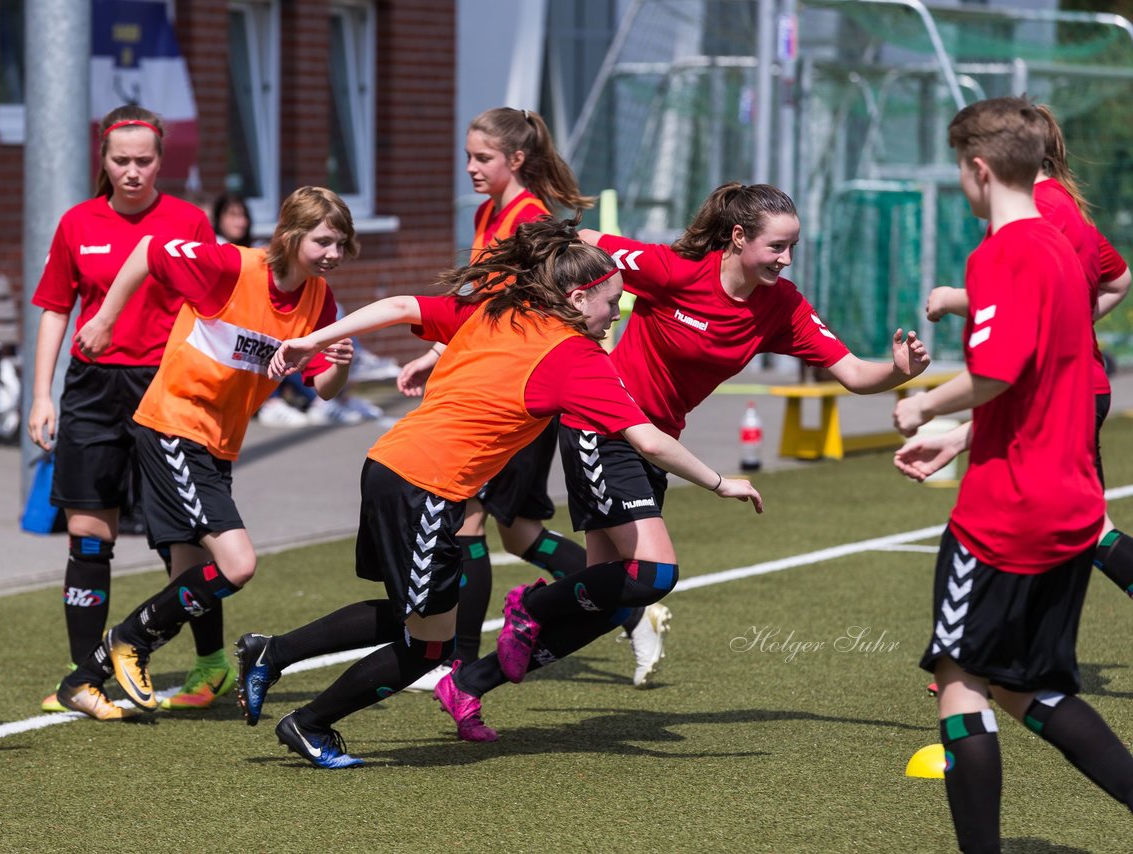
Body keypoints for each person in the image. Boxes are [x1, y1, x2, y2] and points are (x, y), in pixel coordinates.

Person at [232, 216, 763, 769]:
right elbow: (648, 439)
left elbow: (401, 307)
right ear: (579, 297)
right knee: (430, 647)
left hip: (394, 467)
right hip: (425, 486)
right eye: (612, 304)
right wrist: (721, 482)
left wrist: (313, 339)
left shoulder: (501, 308)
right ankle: (309, 723)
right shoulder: (574, 357)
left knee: (413, 616)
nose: (616, 317)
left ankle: (274, 652)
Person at [428, 182, 930, 738]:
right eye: (776, 247)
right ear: (738, 238)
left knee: (608, 600)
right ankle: (534, 606)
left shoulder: (780, 304)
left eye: (793, 248)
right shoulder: (675, 271)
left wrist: (899, 373)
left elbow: (856, 373)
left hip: (656, 444)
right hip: (604, 427)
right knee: (655, 573)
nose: (786, 260)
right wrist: (525, 266)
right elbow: (590, 240)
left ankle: (469, 684)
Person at [893, 95, 1133, 853]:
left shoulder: (998, 253)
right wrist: (963, 435)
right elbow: (1042, 375)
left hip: (1006, 512)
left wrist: (922, 406)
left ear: (978, 168)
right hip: (1071, 504)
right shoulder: (1065, 250)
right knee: (1031, 685)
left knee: (960, 682)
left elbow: (997, 369)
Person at [58, 186, 356, 719]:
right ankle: (131, 640)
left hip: (217, 443)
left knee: (188, 570)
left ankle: (86, 677)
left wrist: (339, 360)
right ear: (291, 236)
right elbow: (149, 249)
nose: (334, 253)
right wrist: (104, 317)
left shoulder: (320, 299)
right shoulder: (230, 267)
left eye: (340, 243)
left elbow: (325, 388)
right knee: (237, 565)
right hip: (175, 425)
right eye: (324, 242)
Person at [397, 107, 646, 693]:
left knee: (469, 521)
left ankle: (454, 663)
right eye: (468, 156)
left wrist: (439, 355)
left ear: (515, 160)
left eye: (482, 158)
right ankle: (626, 604)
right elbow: (482, 303)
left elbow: (513, 314)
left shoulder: (528, 218)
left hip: (518, 388)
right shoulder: (491, 211)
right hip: (499, 378)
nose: (470, 168)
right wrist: (435, 353)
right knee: (519, 532)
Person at [28, 106, 227, 718]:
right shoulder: (76, 223)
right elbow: (56, 309)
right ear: (103, 162)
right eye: (121, 161)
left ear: (161, 162)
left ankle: (211, 663)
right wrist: (41, 394)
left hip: (166, 389)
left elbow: (217, 303)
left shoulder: (189, 221)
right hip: (91, 390)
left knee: (184, 541)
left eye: (144, 161)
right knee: (90, 536)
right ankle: (85, 676)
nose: (133, 172)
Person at [924, 103, 1133, 608]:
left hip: (1062, 392)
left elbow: (1017, 304)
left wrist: (952, 298)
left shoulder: (1037, 213)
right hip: (1073, 387)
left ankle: (971, 663)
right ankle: (986, 664)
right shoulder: (1062, 204)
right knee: (1081, 530)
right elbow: (1118, 278)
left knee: (1018, 527)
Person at [211, 191, 316, 429]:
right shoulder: (216, 250)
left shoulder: (257, 251)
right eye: (233, 215)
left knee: (295, 336)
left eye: (244, 216)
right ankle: (275, 403)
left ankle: (316, 401)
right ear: (218, 218)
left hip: (258, 320)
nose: (240, 222)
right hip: (230, 326)